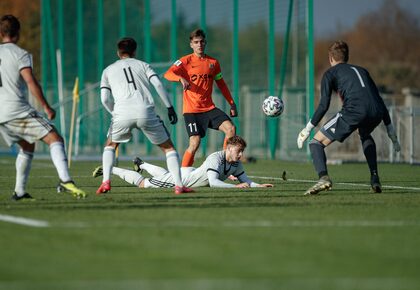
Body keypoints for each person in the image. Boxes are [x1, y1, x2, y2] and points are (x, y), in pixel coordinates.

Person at [297, 40, 401, 195]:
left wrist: (307, 129)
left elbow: (324, 105)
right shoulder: (363, 70)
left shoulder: (330, 73)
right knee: (364, 133)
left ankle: (323, 178)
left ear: (330, 58)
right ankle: (374, 177)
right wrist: (391, 132)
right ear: (347, 57)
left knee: (315, 143)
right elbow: (378, 100)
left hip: (354, 111)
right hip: (377, 111)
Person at [0, 15, 86, 200]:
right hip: (16, 110)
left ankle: (19, 191)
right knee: (55, 138)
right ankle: (65, 179)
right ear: (18, 33)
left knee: (28, 145)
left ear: (1, 34)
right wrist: (46, 107)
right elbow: (31, 82)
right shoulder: (19, 54)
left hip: (1, 114)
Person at [97, 37, 192, 195]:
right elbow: (158, 85)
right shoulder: (144, 65)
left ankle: (106, 182)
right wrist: (169, 108)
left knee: (110, 146)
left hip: (121, 113)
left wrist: (115, 113)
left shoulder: (108, 70)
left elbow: (104, 99)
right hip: (145, 111)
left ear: (118, 52)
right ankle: (178, 185)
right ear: (134, 51)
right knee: (168, 148)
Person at [164, 28, 238, 168]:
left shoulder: (213, 63)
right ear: (191, 44)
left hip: (209, 108)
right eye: (196, 42)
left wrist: (232, 103)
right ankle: (183, 174)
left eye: (202, 42)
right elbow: (168, 74)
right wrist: (180, 78)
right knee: (195, 142)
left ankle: (224, 165)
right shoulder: (184, 61)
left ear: (205, 43)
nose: (199, 44)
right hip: (191, 110)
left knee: (231, 129)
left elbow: (221, 84)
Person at [92, 136, 273, 190]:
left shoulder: (236, 162)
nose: (241, 154)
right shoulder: (215, 158)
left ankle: (142, 164)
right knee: (143, 184)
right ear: (229, 148)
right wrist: (235, 187)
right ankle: (111, 168)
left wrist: (259, 186)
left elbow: (246, 180)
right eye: (238, 150)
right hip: (184, 180)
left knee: (164, 175)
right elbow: (214, 182)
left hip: (190, 172)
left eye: (242, 151)